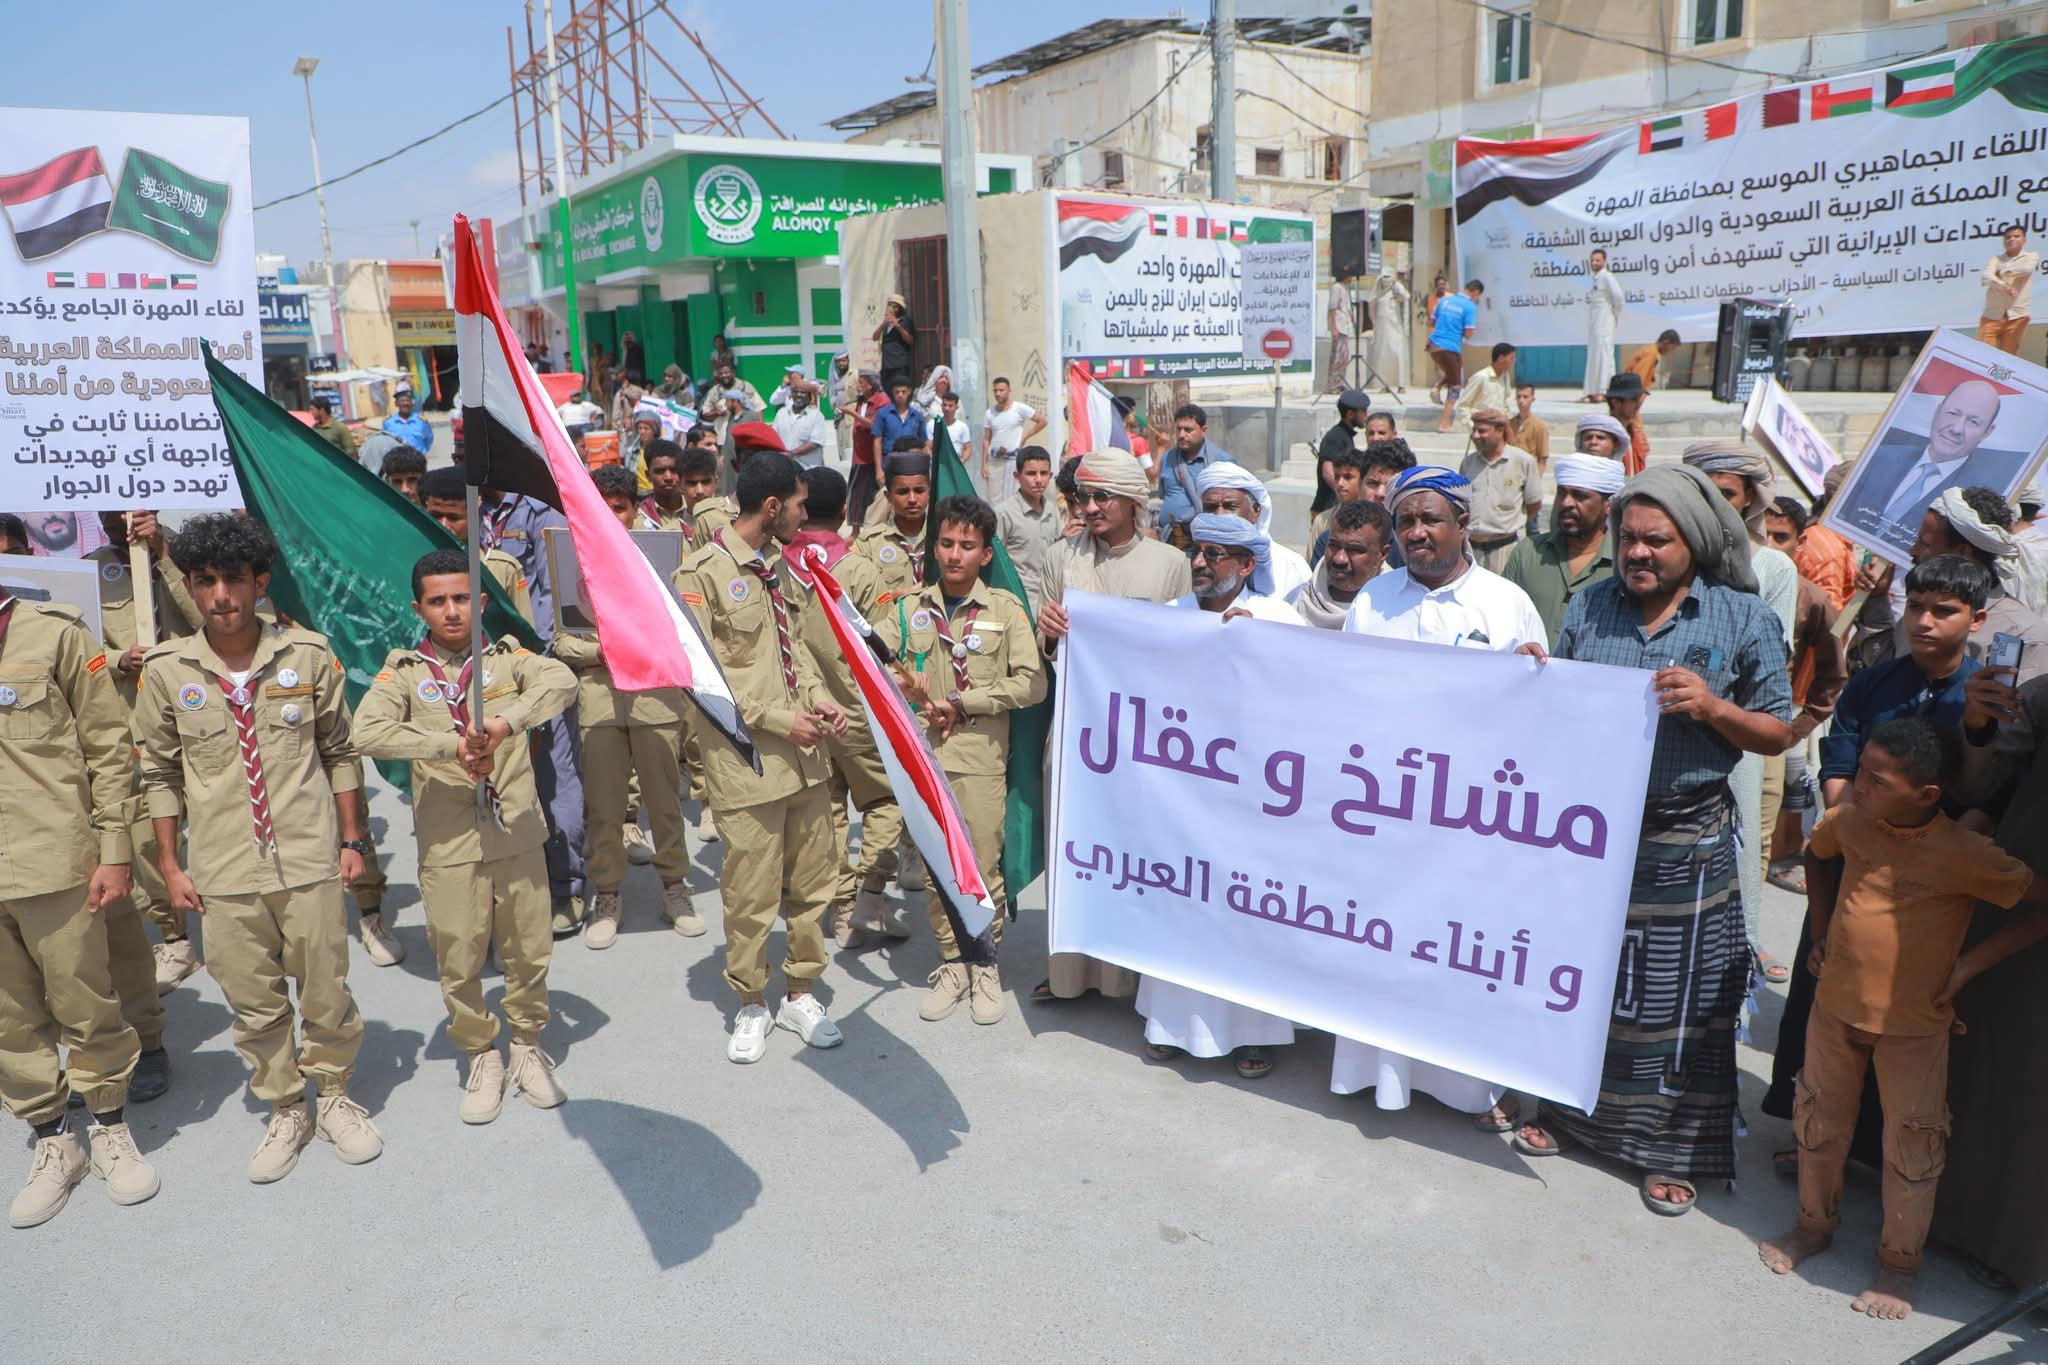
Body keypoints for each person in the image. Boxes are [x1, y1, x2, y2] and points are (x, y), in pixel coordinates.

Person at [1522, 465, 1795, 1215]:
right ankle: (1568, 1118)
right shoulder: (1591, 605)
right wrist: (1533, 680)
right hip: (1595, 836)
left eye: (1656, 540)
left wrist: (1712, 708)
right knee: (1587, 984)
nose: (1637, 552)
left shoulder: (1740, 618)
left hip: (1689, 841)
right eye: (1628, 538)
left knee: (1680, 1005)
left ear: (1694, 543)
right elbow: (1561, 705)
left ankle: (1670, 1153)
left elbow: (1778, 729)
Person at [1758, 716, 2048, 1322]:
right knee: (1818, 1119)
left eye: (1877, 779)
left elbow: (2039, 908)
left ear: (1927, 794)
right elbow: (1816, 855)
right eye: (1861, 770)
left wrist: (1967, 967)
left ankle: (1900, 1266)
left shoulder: (1965, 854)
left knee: (1912, 1148)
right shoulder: (1850, 822)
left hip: (1915, 1028)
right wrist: (1821, 929)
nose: (1858, 785)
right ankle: (1813, 1227)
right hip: (1835, 1010)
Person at [138, 514, 383, 1182]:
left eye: (234, 579)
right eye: (205, 581)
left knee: (325, 987)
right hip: (223, 868)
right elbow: (159, 773)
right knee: (252, 998)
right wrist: (170, 864)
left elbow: (339, 751)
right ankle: (286, 1104)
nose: (221, 595)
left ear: (259, 582)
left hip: (307, 858)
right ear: (191, 587)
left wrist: (352, 839)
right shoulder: (167, 670)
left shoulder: (307, 655)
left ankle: (334, 1093)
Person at [1340, 466, 1546, 1120]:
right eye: (1405, 521)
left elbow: (1538, 718)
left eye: (1430, 519)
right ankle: (1378, 1075)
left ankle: (1470, 1087)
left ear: (1463, 523)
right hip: (1385, 813)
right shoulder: (1374, 600)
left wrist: (1533, 680)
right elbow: (1342, 693)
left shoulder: (1505, 604)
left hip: (1468, 822)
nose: (1417, 532)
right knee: (1383, 945)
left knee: (1459, 952)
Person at [354, 550, 576, 1121]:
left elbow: (562, 680)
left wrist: (505, 723)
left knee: (529, 947)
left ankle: (527, 1043)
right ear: (419, 608)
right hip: (449, 839)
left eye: (460, 598)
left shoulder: (508, 660)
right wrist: (448, 746)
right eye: (437, 601)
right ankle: (481, 1052)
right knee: (458, 951)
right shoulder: (405, 672)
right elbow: (367, 730)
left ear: (479, 601)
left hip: (515, 829)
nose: (451, 611)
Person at [673, 453, 849, 1063]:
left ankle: (801, 991)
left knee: (814, 885)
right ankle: (751, 1002)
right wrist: (780, 720)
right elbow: (701, 677)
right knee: (750, 894)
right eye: (799, 504)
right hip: (747, 764)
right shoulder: (700, 574)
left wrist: (821, 700)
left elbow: (795, 648)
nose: (805, 513)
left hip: (806, 761)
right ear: (772, 507)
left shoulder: (780, 566)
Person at [0, 576, 160, 1228]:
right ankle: (54, 1139)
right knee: (8, 1021)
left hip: (54, 862)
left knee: (85, 1003)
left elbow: (109, 748)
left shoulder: (57, 635)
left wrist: (115, 850)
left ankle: (109, 1127)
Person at [1136, 511, 1301, 1079]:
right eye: (1196, 551)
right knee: (1180, 908)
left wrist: (1261, 645)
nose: (1200, 562)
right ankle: (1169, 1025)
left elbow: (1311, 697)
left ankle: (1253, 1035)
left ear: (1247, 565)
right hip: (1183, 798)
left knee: (1244, 916)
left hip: (1251, 802)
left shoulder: (1279, 618)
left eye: (1214, 554)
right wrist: (1065, 629)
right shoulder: (1170, 617)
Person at [879, 495, 1045, 1023]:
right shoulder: (907, 609)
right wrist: (901, 681)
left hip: (979, 757)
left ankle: (984, 963)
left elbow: (1033, 684)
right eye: (947, 544)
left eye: (967, 546)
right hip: (924, 756)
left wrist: (965, 701)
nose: (955, 555)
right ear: (935, 548)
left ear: (985, 554)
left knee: (981, 865)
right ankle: (953, 961)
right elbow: (870, 661)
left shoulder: (1005, 611)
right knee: (937, 866)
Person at [1035, 449, 1191, 1003]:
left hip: (1142, 736)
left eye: (1103, 497)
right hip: (1075, 728)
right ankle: (1070, 975)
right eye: (1085, 496)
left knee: (1132, 854)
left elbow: (1182, 649)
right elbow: (1044, 648)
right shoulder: (1061, 557)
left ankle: (1131, 981)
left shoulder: (1169, 563)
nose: (1091, 507)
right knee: (1073, 850)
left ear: (1131, 502)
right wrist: (1047, 628)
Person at [1938, 659, 2048, 1287]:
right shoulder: (2043, 695)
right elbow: (1981, 786)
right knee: (1996, 1074)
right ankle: (1969, 1230)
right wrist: (1978, 726)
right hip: (2023, 899)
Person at [555, 481, 699, 952]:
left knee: (664, 804)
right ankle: (608, 895)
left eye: (619, 508)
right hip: (600, 701)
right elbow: (561, 640)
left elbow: (685, 626)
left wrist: (643, 642)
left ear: (636, 510)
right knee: (605, 808)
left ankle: (674, 889)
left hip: (654, 698)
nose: (612, 517)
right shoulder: (573, 559)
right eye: (604, 507)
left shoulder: (663, 557)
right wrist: (602, 651)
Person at [1684, 441, 1802, 982]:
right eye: (1701, 492)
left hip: (1735, 727)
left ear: (1752, 500)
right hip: (1668, 721)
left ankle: (1739, 958)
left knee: (1739, 843)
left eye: (1726, 494)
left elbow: (1768, 665)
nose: (1713, 506)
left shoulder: (1772, 567)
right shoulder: (1670, 555)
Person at [84, 512, 203, 1010]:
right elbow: (76, 645)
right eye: (108, 508)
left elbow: (207, 620)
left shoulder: (190, 553)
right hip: (133, 719)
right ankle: (175, 937)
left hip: (198, 710)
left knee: (220, 821)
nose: (121, 516)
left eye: (129, 504)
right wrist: (117, 659)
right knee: (150, 832)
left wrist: (164, 556)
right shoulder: (89, 569)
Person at [475, 487, 585, 934]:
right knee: (492, 779)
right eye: (460, 455)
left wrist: (539, 665)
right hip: (479, 670)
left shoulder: (542, 514)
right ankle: (501, 891)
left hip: (534, 663)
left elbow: (556, 595)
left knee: (553, 775)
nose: (468, 461)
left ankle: (566, 886)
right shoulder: (466, 507)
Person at [840, 451, 936, 935]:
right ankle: (894, 854)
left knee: (935, 762)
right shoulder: (869, 545)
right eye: (902, 492)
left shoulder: (946, 535)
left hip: (938, 663)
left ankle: (917, 852)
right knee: (899, 765)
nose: (912, 499)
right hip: (894, 669)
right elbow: (856, 610)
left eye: (920, 490)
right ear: (889, 494)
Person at [1846, 390, 2036, 564]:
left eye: (1973, 422)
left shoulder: (1973, 500)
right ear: (1937, 411)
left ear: (1987, 431)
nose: (1957, 428)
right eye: (1953, 413)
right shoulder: (1881, 457)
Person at [1890, 488, 2048, 684]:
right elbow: (1885, 677)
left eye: (1924, 544)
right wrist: (1876, 602)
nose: (1913, 551)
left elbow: (2016, 703)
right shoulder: (1920, 609)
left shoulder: (2021, 636)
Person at [1501, 452, 1622, 646]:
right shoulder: (1528, 552)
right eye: (1562, 493)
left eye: (1580, 496)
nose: (1566, 503)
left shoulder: (1623, 564)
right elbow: (1500, 619)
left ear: (1608, 505)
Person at [1196, 464, 1312, 597]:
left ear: (1256, 511)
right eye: (1210, 508)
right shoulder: (1196, 562)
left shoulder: (1292, 566)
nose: (1220, 515)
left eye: (1230, 506)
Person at [1458, 410, 1542, 573]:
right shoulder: (1468, 463)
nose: (1475, 436)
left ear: (1500, 431)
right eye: (1474, 430)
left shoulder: (1523, 461)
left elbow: (1534, 504)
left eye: (1482, 431)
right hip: (1471, 550)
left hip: (1505, 549)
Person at [1292, 499, 1393, 629]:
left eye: (1354, 549)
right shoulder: (1295, 602)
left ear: (1383, 554)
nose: (1339, 559)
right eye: (1334, 545)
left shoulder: (1400, 613)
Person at [995, 446, 1061, 616]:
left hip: (1051, 595)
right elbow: (995, 560)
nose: (1038, 480)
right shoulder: (1004, 513)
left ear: (1050, 476)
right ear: (1017, 476)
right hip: (1019, 598)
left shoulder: (1052, 510)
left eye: (1043, 473)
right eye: (1031, 474)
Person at [1157, 403, 1234, 538]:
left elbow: (1231, 505)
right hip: (1170, 536)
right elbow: (1163, 495)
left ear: (1203, 431)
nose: (1181, 435)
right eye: (1179, 429)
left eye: (1188, 430)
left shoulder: (1221, 462)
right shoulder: (1168, 458)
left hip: (1206, 537)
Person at [1311, 388, 1370, 535]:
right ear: (1350, 414)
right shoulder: (1336, 437)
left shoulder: (1345, 436)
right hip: (1327, 510)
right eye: (1363, 411)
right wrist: (1345, 496)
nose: (1366, 416)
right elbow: (1327, 472)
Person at [981, 376, 1046, 502]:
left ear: (1009, 390)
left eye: (1001, 390)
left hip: (1013, 461)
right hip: (995, 461)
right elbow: (986, 439)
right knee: (994, 498)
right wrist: (984, 464)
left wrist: (1025, 436)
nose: (998, 393)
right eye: (995, 391)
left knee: (1013, 497)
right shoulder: (989, 413)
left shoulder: (1019, 408)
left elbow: (1042, 421)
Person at [1977, 224, 2036, 355]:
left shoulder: (2031, 256)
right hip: (1992, 315)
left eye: (2016, 236)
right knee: (1983, 354)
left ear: (2024, 240)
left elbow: (2026, 269)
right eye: (2008, 237)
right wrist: (2004, 286)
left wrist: (2003, 272)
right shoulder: (1996, 259)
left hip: (2017, 316)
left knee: (2008, 357)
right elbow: (1986, 276)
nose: (2011, 239)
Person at [1431, 279, 1481, 433]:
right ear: (1475, 292)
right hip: (1450, 347)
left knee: (1456, 371)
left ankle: (1437, 387)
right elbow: (1468, 333)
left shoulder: (1444, 300)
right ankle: (1444, 423)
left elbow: (1433, 321)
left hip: (1433, 345)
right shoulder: (1470, 306)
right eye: (1477, 296)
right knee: (1455, 385)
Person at [847, 369, 890, 527]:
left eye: (861, 383)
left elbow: (875, 425)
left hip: (873, 456)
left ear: (871, 385)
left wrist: (853, 415)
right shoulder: (860, 401)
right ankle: (855, 530)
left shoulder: (882, 401)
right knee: (856, 494)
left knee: (875, 494)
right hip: (859, 454)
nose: (858, 386)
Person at [1583, 248, 1625, 402]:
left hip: (1605, 323)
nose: (1594, 263)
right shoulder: (1595, 279)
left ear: (1604, 262)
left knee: (1604, 354)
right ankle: (1591, 391)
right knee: (1594, 355)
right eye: (1592, 260)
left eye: (1598, 260)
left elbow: (1619, 297)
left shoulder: (1607, 276)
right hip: (1595, 324)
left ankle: (1603, 390)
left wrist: (1614, 314)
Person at [700, 361, 764, 455]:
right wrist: (717, 413)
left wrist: (760, 432)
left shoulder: (745, 387)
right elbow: (705, 413)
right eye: (721, 373)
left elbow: (759, 408)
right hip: (723, 439)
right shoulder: (714, 391)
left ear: (733, 373)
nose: (724, 375)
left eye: (726, 372)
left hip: (746, 437)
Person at [634, 440, 693, 532]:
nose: (668, 477)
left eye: (674, 470)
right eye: (660, 471)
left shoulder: (695, 511)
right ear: (648, 475)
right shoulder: (637, 517)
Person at [1367, 271, 1410, 394]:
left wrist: (1396, 284)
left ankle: (1401, 385)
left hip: (1395, 329)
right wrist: (1374, 325)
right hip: (1382, 331)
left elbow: (1406, 296)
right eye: (1384, 277)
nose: (1386, 280)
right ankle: (1385, 384)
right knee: (1383, 357)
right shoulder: (1378, 294)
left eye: (1388, 277)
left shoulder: (1396, 292)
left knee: (1397, 354)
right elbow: (1371, 308)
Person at [1454, 342, 1516, 427]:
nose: (1513, 362)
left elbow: (1505, 403)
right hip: (1481, 426)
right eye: (1511, 358)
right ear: (1501, 358)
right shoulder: (1481, 377)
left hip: (1498, 428)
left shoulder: (1505, 377)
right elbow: (1463, 405)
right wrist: (1472, 426)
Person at [772, 379, 829, 469]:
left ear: (810, 396)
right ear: (791, 395)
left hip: (807, 469)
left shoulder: (816, 416)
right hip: (784, 467)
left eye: (803, 393)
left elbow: (815, 443)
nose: (799, 395)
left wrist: (791, 454)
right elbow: (773, 437)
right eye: (795, 392)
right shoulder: (781, 413)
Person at [1604, 372, 1650, 476]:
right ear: (1615, 402)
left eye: (1639, 399)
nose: (1638, 404)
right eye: (1633, 400)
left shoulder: (1635, 436)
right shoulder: (1603, 439)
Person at [875, 294, 917, 392]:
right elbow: (875, 337)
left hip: (899, 364)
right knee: (887, 390)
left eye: (895, 307)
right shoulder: (886, 323)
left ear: (900, 308)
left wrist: (897, 325)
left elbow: (910, 340)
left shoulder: (905, 321)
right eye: (890, 306)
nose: (893, 309)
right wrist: (883, 324)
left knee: (899, 391)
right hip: (886, 365)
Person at [1509, 382, 1550, 474]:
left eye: (1525, 397)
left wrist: (1537, 478)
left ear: (1532, 399)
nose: (1521, 400)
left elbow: (1542, 458)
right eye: (1518, 397)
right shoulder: (1509, 424)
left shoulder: (1540, 426)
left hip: (1529, 473)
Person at [381, 388, 433, 455]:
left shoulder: (421, 421)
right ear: (396, 403)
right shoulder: (388, 422)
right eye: (402, 401)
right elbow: (384, 442)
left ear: (412, 403)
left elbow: (429, 439)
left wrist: (422, 452)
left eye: (408, 400)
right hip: (397, 459)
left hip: (417, 458)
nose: (405, 403)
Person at [1326, 270, 1354, 393]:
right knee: (1337, 357)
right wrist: (1334, 327)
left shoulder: (1344, 288)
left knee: (1344, 357)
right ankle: (1332, 385)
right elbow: (1332, 308)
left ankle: (1340, 383)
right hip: (1339, 326)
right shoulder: (1336, 288)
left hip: (1345, 326)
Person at [938, 392, 971, 461]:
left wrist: (960, 463)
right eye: (945, 405)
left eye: (950, 406)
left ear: (956, 407)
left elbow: (967, 448)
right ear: (941, 406)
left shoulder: (962, 427)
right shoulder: (934, 424)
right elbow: (928, 447)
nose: (947, 408)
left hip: (956, 462)